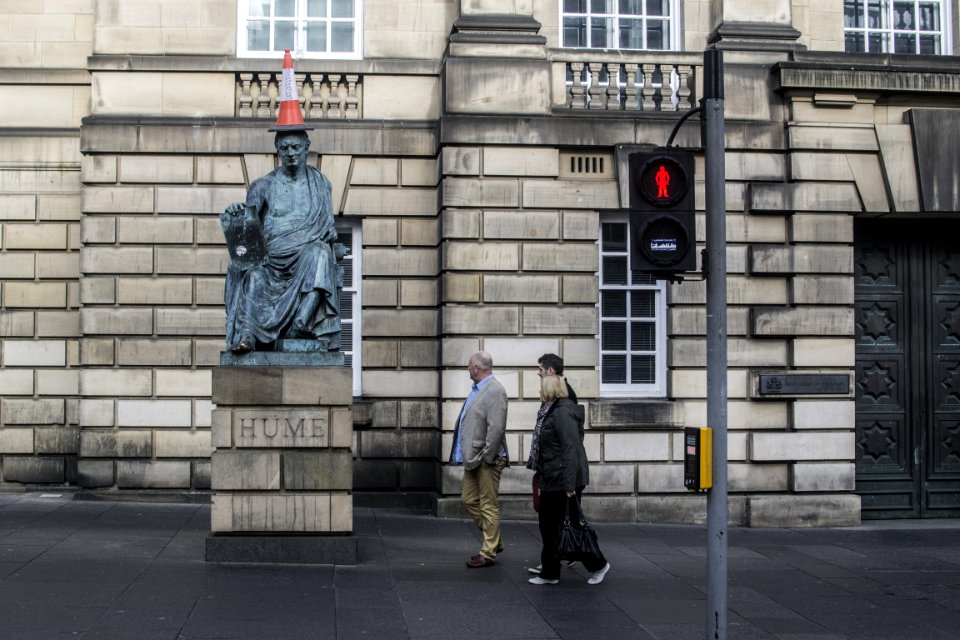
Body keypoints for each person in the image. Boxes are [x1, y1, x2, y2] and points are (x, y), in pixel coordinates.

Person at [223, 129, 342, 354]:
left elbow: (327, 225)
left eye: (296, 147)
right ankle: (247, 337)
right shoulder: (262, 186)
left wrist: (331, 233)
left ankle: (301, 323)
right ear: (277, 151)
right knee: (254, 277)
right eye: (285, 148)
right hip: (270, 264)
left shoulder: (320, 183)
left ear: (307, 147)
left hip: (305, 259)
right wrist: (236, 213)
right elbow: (247, 227)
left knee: (321, 253)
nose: (290, 153)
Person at [529, 374, 610, 586]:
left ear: (550, 390)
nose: (539, 391)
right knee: (550, 526)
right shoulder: (551, 411)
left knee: (568, 526)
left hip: (561, 478)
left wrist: (569, 485)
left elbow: (570, 449)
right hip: (551, 476)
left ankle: (598, 564)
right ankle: (550, 572)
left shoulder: (562, 413)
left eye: (542, 387)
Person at [449, 351, 509, 568]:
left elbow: (497, 427)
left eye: (469, 365)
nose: (467, 369)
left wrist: (488, 456)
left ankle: (488, 552)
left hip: (487, 458)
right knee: (468, 499)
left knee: (488, 505)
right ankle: (495, 540)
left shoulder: (495, 391)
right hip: (474, 458)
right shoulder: (478, 390)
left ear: (477, 367)